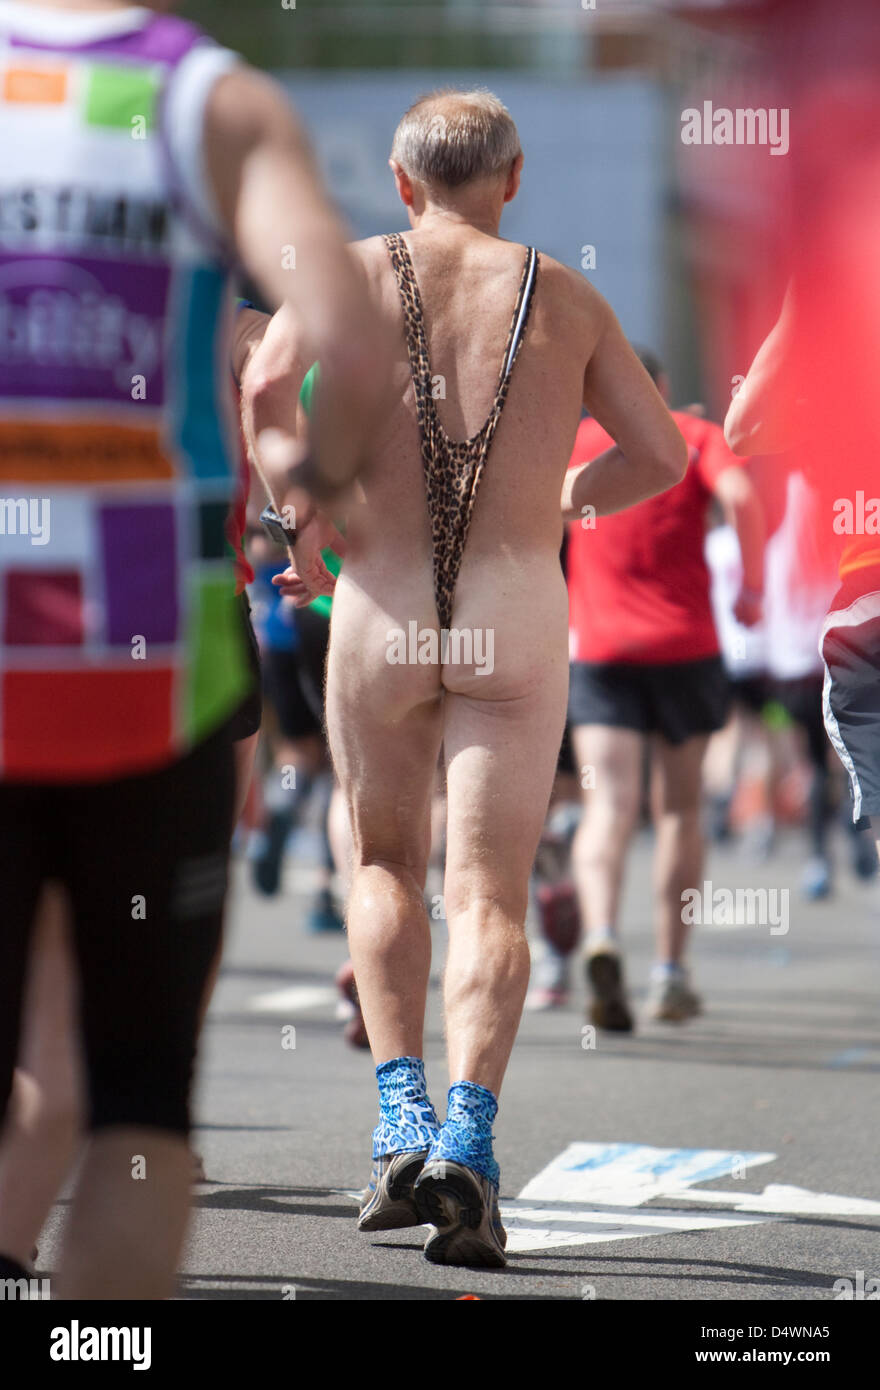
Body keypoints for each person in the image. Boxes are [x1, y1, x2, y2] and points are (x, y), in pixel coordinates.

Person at [249, 89, 687, 1267]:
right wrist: (567, 500)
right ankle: (469, 1145)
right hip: (512, 616)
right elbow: (660, 454)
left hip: (378, 611)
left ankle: (399, 1118)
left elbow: (258, 390)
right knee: (489, 894)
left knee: (384, 858)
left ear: (400, 183)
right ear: (515, 175)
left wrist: (294, 524)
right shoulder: (570, 294)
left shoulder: (346, 272)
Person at [0, 0, 385, 1299]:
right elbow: (350, 334)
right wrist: (309, 486)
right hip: (145, 676)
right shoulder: (212, 105)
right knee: (140, 1109)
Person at [564, 350, 765, 1031]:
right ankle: (670, 973)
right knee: (678, 810)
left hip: (599, 651)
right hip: (687, 648)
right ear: (664, 388)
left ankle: (600, 934)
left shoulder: (575, 442)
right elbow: (741, 497)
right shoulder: (693, 435)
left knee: (607, 808)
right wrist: (753, 589)